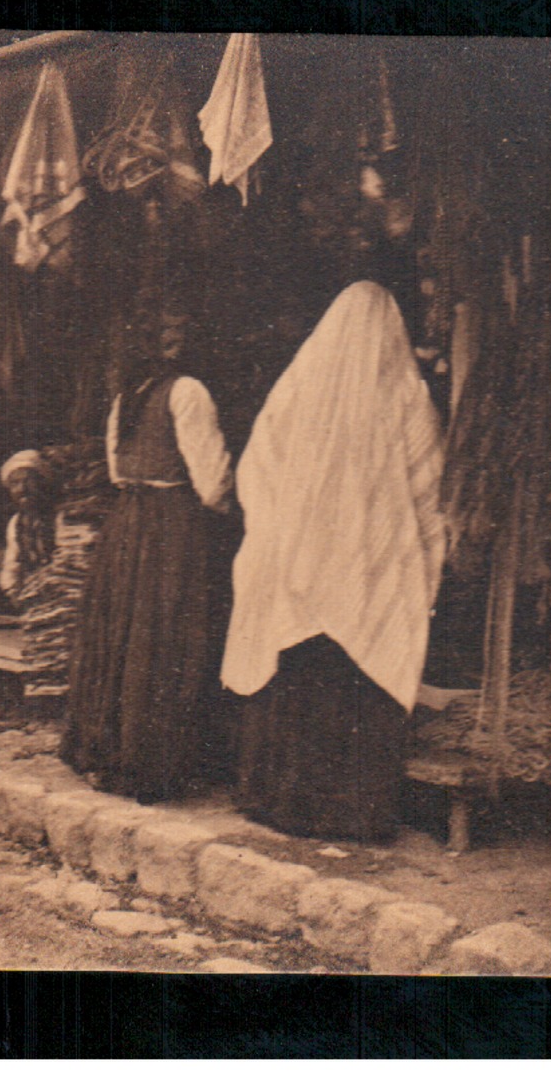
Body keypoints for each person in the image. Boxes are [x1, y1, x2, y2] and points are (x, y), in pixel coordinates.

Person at [220, 280, 446, 843]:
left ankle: (278, 800)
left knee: (296, 674)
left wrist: (279, 538)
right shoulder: (407, 396)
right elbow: (428, 491)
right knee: (357, 681)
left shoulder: (294, 390)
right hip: (372, 568)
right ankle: (349, 813)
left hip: (295, 564)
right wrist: (418, 562)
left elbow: (255, 471)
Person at [60, 308, 235, 802]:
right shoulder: (189, 392)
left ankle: (107, 750)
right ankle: (146, 762)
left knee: (123, 635)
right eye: (165, 332)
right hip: (170, 523)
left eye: (179, 330)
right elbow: (211, 482)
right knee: (161, 639)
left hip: (128, 521)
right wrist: (228, 503)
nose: (174, 340)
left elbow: (117, 469)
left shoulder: (128, 397)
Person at [0, 449, 56, 616]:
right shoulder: (17, 522)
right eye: (14, 484)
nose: (22, 489)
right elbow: (12, 565)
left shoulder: (59, 518)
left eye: (29, 482)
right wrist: (13, 594)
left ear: (43, 482)